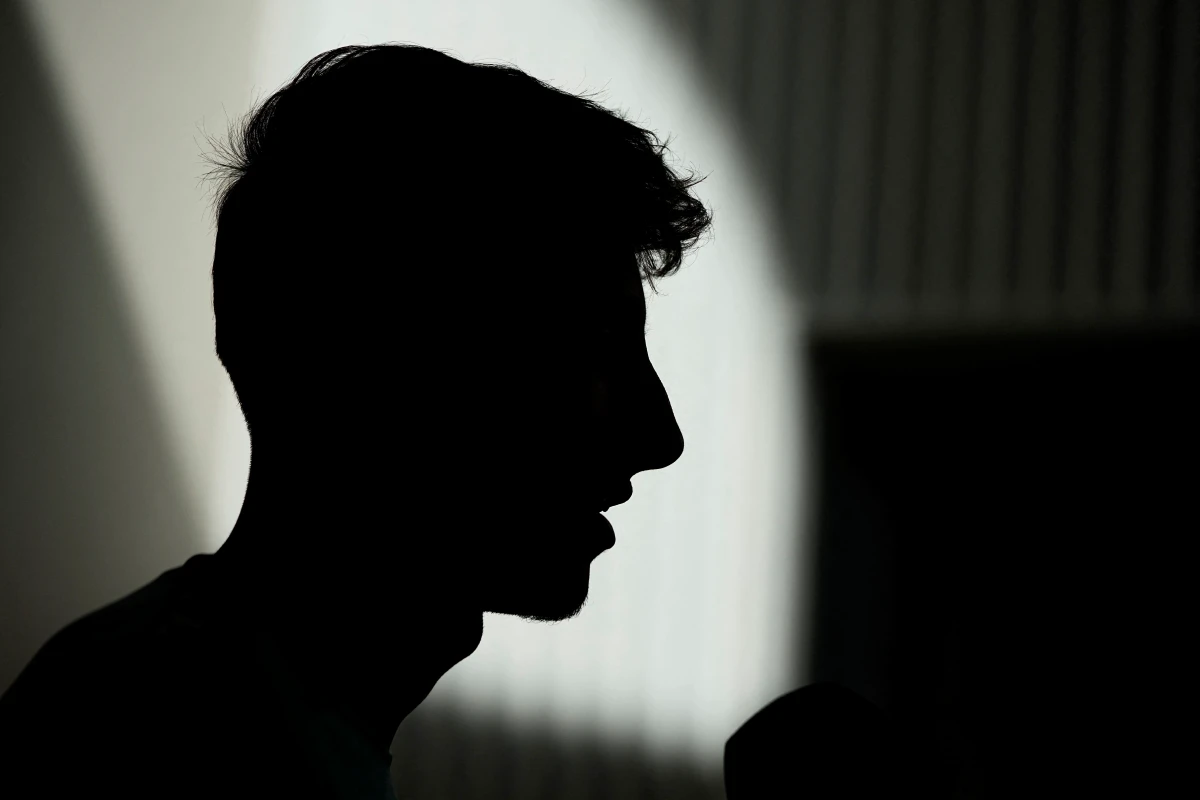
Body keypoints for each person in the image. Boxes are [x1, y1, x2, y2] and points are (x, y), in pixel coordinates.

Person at [0, 43, 711, 799]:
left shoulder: (200, 704)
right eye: (592, 347)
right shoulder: (166, 744)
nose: (658, 436)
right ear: (388, 358)